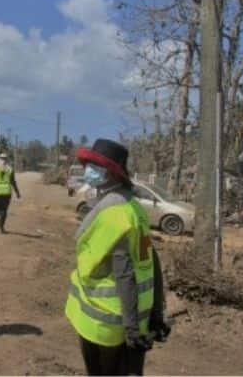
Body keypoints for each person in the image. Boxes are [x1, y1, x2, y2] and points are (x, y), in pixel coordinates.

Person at [64, 139, 170, 376]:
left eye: (95, 166)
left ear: (112, 174)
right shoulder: (134, 208)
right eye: (88, 164)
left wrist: (131, 329)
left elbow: (125, 273)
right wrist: (155, 315)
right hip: (134, 317)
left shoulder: (112, 215)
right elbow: (151, 261)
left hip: (106, 321)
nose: (88, 170)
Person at [0, 152, 21, 233]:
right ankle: (2, 228)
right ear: (7, 160)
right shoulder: (10, 169)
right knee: (4, 210)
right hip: (6, 192)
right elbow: (13, 182)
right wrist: (17, 192)